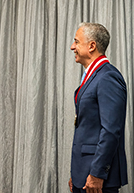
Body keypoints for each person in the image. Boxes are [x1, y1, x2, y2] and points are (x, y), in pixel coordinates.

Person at [68, 22, 128, 193]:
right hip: (84, 174)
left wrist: (96, 174)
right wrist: (77, 172)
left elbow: (110, 130)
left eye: (77, 41)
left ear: (92, 46)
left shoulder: (107, 77)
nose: (73, 47)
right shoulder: (93, 76)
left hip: (97, 179)